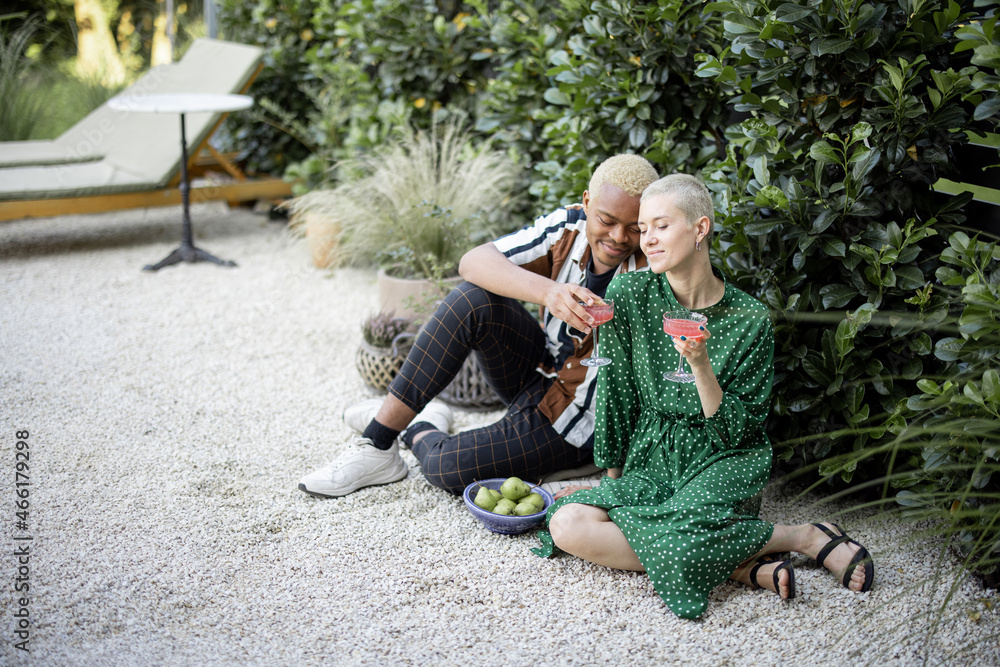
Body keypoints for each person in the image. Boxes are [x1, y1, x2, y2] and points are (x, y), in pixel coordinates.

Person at [532, 173, 875, 619]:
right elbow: (618, 393)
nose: (646, 239)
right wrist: (613, 483)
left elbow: (738, 432)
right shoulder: (630, 294)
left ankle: (806, 536)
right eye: (644, 228)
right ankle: (739, 564)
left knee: (678, 529)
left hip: (721, 459)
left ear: (700, 228)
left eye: (661, 226)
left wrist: (700, 364)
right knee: (567, 523)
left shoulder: (749, 318)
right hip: (653, 456)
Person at [297, 154, 660, 498]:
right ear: (586, 202)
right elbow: (474, 261)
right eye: (607, 220)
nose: (618, 237)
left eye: (634, 228)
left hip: (579, 423)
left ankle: (417, 425)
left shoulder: (654, 269)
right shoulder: (569, 226)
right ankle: (377, 443)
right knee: (472, 298)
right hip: (537, 375)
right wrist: (549, 292)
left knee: (444, 466)